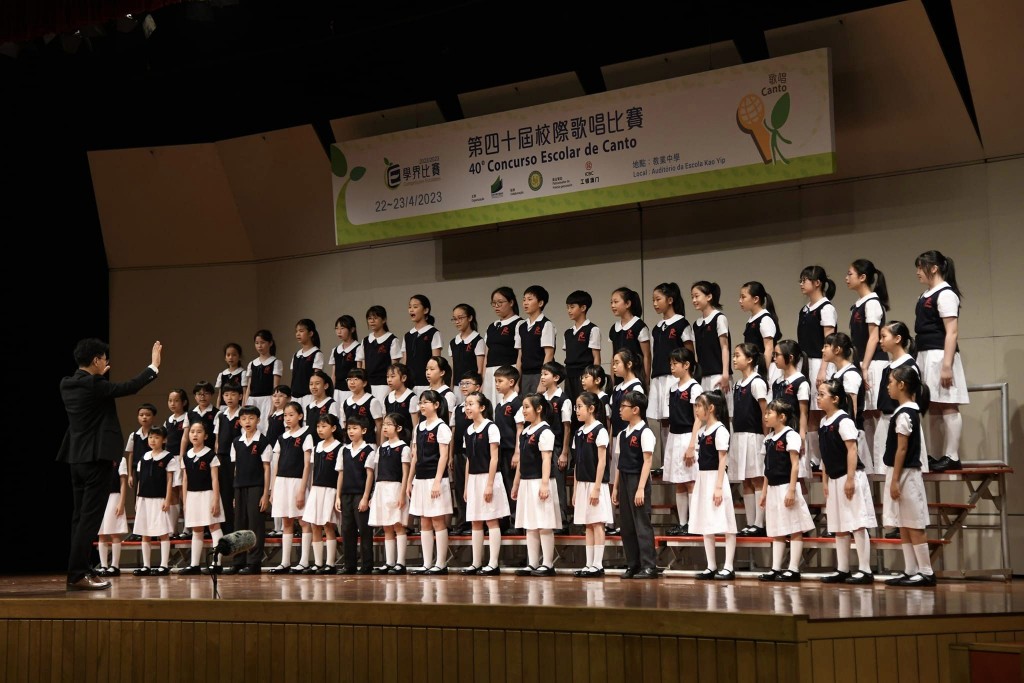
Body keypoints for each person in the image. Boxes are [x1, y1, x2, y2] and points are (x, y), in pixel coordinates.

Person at [58, 338, 161, 591]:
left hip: (76, 458)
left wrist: (98, 377)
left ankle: (79, 569)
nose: (106, 361)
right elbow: (130, 386)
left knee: (79, 518)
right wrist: (154, 367)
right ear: (96, 360)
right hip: (96, 459)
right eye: (104, 358)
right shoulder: (95, 385)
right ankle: (78, 573)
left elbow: (95, 394)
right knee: (90, 519)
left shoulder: (67, 383)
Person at [816, 380, 877, 585]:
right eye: (818, 394)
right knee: (839, 525)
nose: (818, 398)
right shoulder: (823, 422)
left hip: (849, 477)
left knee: (857, 524)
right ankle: (842, 568)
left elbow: (852, 449)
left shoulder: (844, 421)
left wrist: (850, 479)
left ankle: (865, 569)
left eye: (822, 394)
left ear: (835, 399)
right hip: (834, 479)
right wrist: (825, 480)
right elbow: (825, 455)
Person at [914, 250, 968, 472]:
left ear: (934, 268)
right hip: (925, 354)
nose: (918, 272)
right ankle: (936, 456)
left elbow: (951, 332)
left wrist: (947, 365)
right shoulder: (925, 295)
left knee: (948, 403)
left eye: (921, 267)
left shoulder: (946, 294)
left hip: (940, 355)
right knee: (933, 405)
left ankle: (952, 456)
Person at [882, 366, 936, 586]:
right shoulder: (903, 411)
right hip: (900, 473)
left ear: (902, 385)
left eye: (891, 382)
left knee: (914, 523)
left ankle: (926, 572)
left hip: (906, 475)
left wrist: (895, 480)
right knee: (903, 523)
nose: (888, 386)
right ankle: (911, 570)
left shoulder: (905, 413)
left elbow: (902, 449)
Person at [757, 400, 814, 582]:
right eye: (766, 413)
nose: (766, 416)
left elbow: (795, 465)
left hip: (787, 486)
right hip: (773, 488)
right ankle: (776, 568)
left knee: (794, 528)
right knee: (777, 529)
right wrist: (764, 492)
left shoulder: (791, 435)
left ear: (782, 417)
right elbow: (767, 469)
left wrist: (791, 490)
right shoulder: (768, 439)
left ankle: (794, 568)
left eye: (769, 413)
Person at [460, 392, 509, 576]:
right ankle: (476, 563)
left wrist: (489, 484)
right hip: (473, 479)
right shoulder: (468, 430)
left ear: (482, 407)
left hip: (489, 478)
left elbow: (494, 458)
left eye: (471, 404)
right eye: (466, 404)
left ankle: (493, 563)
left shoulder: (491, 427)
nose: (467, 407)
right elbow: (468, 460)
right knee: (475, 521)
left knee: (492, 520)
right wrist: (466, 485)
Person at [511, 394, 559, 576]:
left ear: (539, 409)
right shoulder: (525, 432)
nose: (523, 411)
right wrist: (516, 483)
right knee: (530, 524)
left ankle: (548, 564)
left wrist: (545, 484)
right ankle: (532, 563)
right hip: (526, 482)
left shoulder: (545, 432)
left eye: (527, 407)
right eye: (522, 407)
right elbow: (521, 461)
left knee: (544, 524)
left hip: (540, 481)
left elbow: (546, 459)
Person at [611, 391, 658, 579]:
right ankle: (633, 564)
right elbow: (619, 463)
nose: (620, 410)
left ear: (636, 410)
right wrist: (615, 487)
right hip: (624, 479)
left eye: (624, 406)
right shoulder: (622, 434)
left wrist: (640, 488)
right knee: (627, 526)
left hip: (638, 479)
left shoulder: (645, 432)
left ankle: (649, 566)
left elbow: (647, 461)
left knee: (642, 524)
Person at [690, 391, 737, 580]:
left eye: (699, 406)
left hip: (717, 479)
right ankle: (711, 566)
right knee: (706, 522)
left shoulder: (720, 430)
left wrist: (718, 487)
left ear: (710, 408)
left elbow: (722, 459)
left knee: (727, 522)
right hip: (703, 479)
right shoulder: (702, 431)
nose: (696, 410)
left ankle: (729, 566)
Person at [845, 259, 889, 454]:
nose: (846, 278)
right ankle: (871, 458)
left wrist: (864, 367)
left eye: (850, 274)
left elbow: (874, 337)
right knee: (866, 413)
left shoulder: (872, 303)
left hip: (874, 363)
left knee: (878, 412)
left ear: (862, 277)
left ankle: (883, 457)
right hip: (862, 362)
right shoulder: (858, 304)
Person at [407, 390, 453, 574]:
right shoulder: (419, 427)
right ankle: (427, 563)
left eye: (426, 402)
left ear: (436, 405)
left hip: (435, 478)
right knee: (424, 522)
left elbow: (444, 456)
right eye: (420, 402)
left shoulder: (442, 427)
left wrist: (437, 481)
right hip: (420, 478)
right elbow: (415, 456)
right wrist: (410, 481)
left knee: (437, 521)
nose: (422, 405)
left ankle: (441, 564)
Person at [571, 392, 613, 577]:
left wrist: (596, 487)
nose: (577, 410)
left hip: (596, 484)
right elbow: (577, 463)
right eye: (576, 407)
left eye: (580, 407)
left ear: (591, 408)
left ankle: (598, 564)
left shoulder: (600, 430)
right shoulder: (578, 432)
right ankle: (588, 564)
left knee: (597, 524)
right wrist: (575, 490)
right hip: (582, 484)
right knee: (587, 524)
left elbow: (602, 461)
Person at [268, 401, 313, 574]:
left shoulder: (306, 435)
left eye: (291, 415)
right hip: (281, 482)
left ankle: (304, 561)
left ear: (300, 416)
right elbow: (276, 465)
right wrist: (273, 489)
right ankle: (285, 562)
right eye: (285, 415)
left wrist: (302, 489)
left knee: (303, 521)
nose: (287, 418)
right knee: (286, 521)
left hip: (297, 482)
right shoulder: (282, 438)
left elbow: (307, 465)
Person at [662, 348, 702, 536]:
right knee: (678, 482)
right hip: (674, 437)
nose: (672, 367)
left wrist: (692, 444)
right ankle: (683, 523)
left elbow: (698, 418)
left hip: (688, 436)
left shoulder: (695, 388)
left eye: (675, 363)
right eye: (670, 363)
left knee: (690, 481)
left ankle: (694, 523)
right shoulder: (672, 388)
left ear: (686, 365)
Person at [731, 343, 770, 537]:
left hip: (755, 436)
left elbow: (765, 413)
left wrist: (766, 437)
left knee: (756, 479)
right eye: (733, 355)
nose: (734, 359)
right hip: (739, 436)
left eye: (737, 355)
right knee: (745, 480)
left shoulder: (757, 382)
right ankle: (750, 523)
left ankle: (759, 523)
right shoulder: (738, 384)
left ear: (750, 359)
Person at [649, 282, 692, 447]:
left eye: (658, 299)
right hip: (658, 376)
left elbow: (689, 353)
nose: (655, 303)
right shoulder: (656, 328)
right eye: (653, 300)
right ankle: (668, 455)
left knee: (676, 416)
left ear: (670, 300)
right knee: (663, 419)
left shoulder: (682, 324)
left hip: (674, 377)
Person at [179, 421, 225, 575]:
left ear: (205, 436)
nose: (195, 434)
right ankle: (194, 565)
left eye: (199, 432)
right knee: (196, 529)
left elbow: (215, 479)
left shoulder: (210, 454)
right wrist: (185, 501)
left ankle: (217, 563)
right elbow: (185, 480)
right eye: (192, 431)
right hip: (192, 496)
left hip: (208, 494)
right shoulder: (186, 456)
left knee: (214, 527)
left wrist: (215, 499)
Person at [231, 405, 272, 574]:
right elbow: (236, 469)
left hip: (257, 486)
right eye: (244, 418)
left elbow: (267, 469)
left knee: (255, 525)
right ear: (239, 421)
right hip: (240, 487)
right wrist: (235, 493)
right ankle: (238, 561)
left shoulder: (263, 442)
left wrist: (265, 493)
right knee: (239, 525)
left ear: (258, 420)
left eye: (251, 418)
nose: (247, 421)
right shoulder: (236, 442)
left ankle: (254, 563)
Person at [131, 426, 178, 577]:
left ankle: (164, 565)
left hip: (159, 499)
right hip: (144, 499)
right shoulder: (144, 457)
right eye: (151, 437)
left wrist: (167, 499)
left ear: (164, 440)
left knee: (163, 532)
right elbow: (140, 481)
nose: (153, 440)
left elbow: (170, 480)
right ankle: (146, 565)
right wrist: (137, 498)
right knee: (145, 532)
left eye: (157, 437)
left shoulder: (168, 458)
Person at [369, 413, 413, 575]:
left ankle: (401, 562)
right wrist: (374, 493)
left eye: (389, 424)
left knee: (398, 525)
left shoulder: (403, 448)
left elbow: (405, 473)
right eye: (384, 424)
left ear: (398, 428)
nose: (385, 427)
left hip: (396, 487)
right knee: (387, 527)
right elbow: (377, 472)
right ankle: (389, 562)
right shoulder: (381, 448)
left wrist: (402, 494)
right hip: (382, 488)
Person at [335, 415, 377, 574]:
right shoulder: (343, 450)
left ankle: (367, 565)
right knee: (347, 530)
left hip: (360, 494)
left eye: (355, 428)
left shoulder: (368, 450)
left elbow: (370, 475)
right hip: (346, 494)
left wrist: (366, 497)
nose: (351, 431)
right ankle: (349, 565)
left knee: (364, 530)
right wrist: (338, 496)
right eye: (349, 428)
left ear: (364, 430)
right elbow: (341, 474)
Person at [304, 414, 342, 574]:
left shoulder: (339, 447)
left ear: (333, 428)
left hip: (330, 489)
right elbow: (314, 471)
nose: (320, 429)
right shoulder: (317, 446)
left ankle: (330, 563)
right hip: (317, 489)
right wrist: (312, 487)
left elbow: (340, 473)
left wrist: (338, 494)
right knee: (314, 525)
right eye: (318, 426)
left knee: (328, 525)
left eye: (324, 426)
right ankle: (318, 563)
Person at [691, 281, 732, 403]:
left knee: (722, 411)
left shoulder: (719, 318)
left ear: (709, 297)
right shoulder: (696, 324)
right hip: (703, 376)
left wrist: (725, 374)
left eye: (697, 296)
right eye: (692, 297)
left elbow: (725, 347)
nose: (694, 300)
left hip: (719, 375)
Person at [516, 285, 556, 396]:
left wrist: (543, 381)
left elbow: (549, 354)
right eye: (524, 299)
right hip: (525, 375)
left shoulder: (546, 324)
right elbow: (520, 355)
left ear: (540, 303)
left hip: (539, 373)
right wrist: (517, 381)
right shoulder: (521, 326)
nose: (525, 303)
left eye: (529, 299)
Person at [402, 295, 443, 395]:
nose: (411, 310)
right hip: (410, 385)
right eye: (410, 307)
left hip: (427, 384)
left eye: (415, 307)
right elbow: (405, 362)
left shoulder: (433, 333)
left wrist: (434, 385)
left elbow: (436, 362)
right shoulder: (407, 336)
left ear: (425, 310)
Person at [609, 287, 651, 385]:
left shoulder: (639, 326)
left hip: (636, 377)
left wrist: (646, 380)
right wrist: (612, 380)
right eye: (611, 302)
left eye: (616, 302)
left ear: (627, 303)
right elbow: (613, 356)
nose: (612, 305)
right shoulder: (614, 328)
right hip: (619, 380)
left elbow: (647, 355)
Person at [244, 329, 282, 433]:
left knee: (265, 428)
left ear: (270, 343)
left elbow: (275, 387)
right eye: (257, 343)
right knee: (250, 428)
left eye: (262, 342)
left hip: (267, 400)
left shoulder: (275, 362)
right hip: (252, 400)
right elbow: (249, 387)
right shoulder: (252, 364)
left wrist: (273, 407)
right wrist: (245, 404)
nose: (259, 346)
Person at [364, 305, 403, 402]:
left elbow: (394, 366)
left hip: (384, 385)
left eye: (375, 318)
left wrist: (392, 385)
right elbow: (363, 365)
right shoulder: (365, 341)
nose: (372, 321)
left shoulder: (392, 340)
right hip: (368, 384)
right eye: (369, 318)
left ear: (384, 320)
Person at [448, 304, 485, 404]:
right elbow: (454, 368)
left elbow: (480, 369)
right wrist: (451, 387)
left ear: (470, 318)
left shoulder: (477, 340)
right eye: (454, 319)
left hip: (472, 387)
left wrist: (479, 387)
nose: (457, 322)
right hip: (457, 386)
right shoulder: (453, 342)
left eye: (460, 318)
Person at [330, 315, 363, 406]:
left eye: (342, 328)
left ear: (352, 329)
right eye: (337, 328)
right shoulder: (335, 350)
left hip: (351, 390)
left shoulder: (358, 348)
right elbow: (333, 375)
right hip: (337, 391)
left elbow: (360, 371)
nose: (339, 331)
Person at [291, 318, 324, 408]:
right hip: (294, 396)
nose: (298, 334)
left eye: (301, 331)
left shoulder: (316, 354)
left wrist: (316, 398)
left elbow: (317, 378)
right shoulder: (296, 355)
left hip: (309, 396)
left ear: (310, 333)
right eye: (296, 331)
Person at [214, 342, 247, 408]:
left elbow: (244, 394)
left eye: (234, 355)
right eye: (228, 355)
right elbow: (219, 395)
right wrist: (217, 410)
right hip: (223, 407)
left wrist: (243, 409)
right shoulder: (222, 374)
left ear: (239, 357)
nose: (231, 357)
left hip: (238, 407)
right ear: (225, 358)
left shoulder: (243, 373)